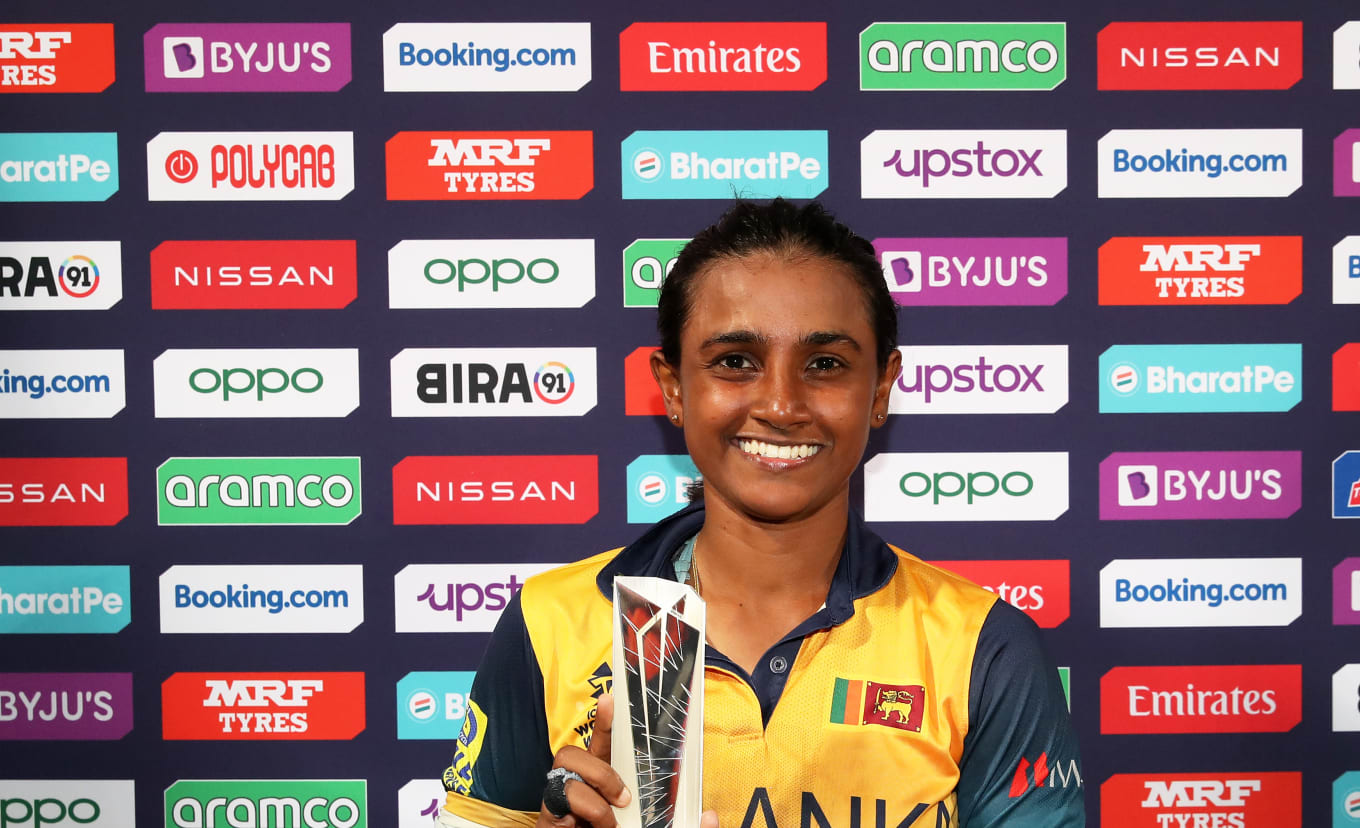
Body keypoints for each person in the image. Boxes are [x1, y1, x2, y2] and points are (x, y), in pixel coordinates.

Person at [436, 198, 1082, 828]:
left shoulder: (981, 647)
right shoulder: (551, 622)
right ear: (673, 388)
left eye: (825, 364)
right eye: (735, 362)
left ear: (880, 389)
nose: (781, 403)